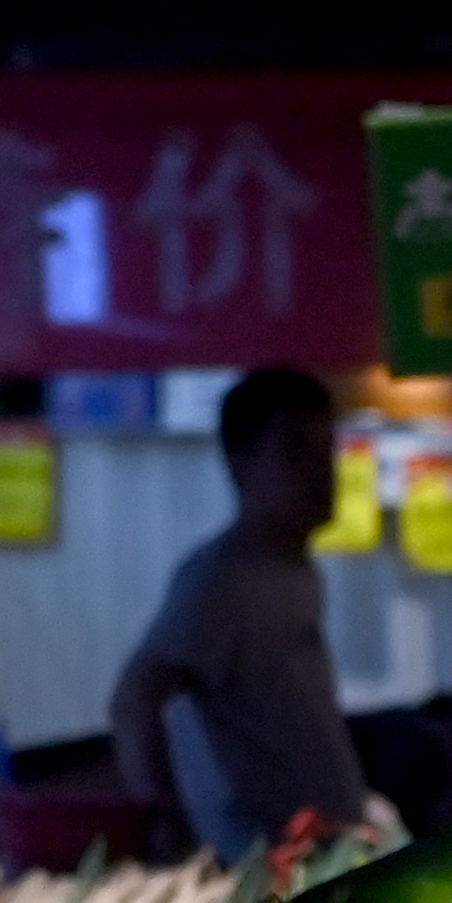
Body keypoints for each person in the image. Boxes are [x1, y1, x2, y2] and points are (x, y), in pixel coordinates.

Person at [110, 366, 376, 864]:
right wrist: (166, 824)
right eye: (296, 451)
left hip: (326, 852)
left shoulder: (298, 571)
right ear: (240, 465)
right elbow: (137, 695)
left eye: (327, 451)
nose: (322, 472)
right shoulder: (222, 580)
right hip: (266, 867)